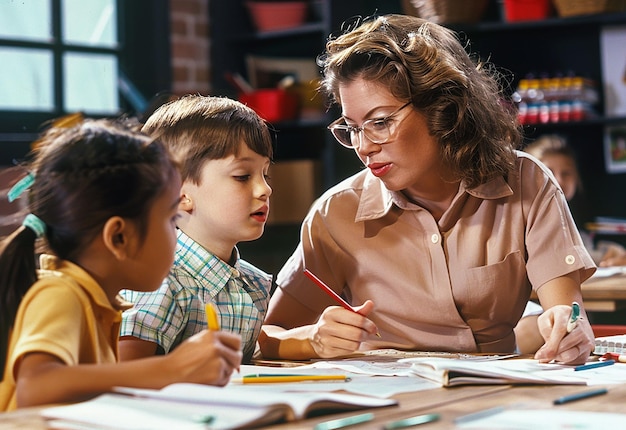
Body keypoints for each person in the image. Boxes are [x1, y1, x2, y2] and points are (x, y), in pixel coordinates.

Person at [258, 14, 596, 365]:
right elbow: (267, 335)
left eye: (380, 122)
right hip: (384, 401)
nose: (363, 146)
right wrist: (312, 339)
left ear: (442, 109)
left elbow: (566, 310)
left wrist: (569, 331)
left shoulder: (527, 182)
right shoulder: (335, 215)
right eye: (352, 127)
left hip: (491, 395)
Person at [0, 119, 242, 411]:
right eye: (171, 220)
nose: (176, 235)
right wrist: (170, 369)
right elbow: (36, 387)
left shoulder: (98, 300)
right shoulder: (60, 293)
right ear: (119, 237)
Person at [119, 95, 273, 364]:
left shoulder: (252, 283)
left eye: (265, 174)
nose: (265, 189)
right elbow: (125, 373)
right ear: (179, 193)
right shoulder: (160, 281)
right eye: (242, 176)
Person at [524, 134, 626, 267]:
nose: (558, 180)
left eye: (566, 173)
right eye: (548, 172)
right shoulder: (523, 222)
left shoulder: (571, 219)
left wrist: (611, 253)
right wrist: (603, 257)